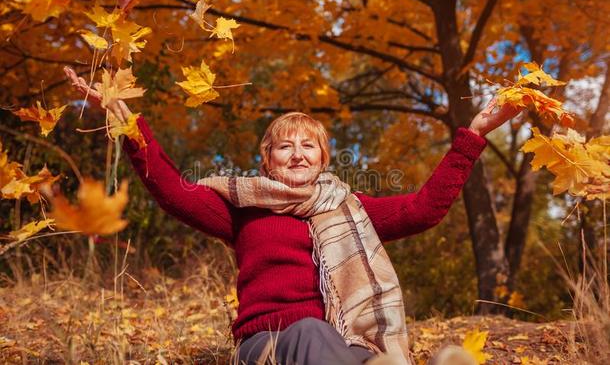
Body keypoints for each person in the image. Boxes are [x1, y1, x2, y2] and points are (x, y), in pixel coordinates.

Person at [64, 66, 524, 365]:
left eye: (309, 147)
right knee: (309, 332)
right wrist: (127, 125)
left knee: (336, 345)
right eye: (286, 146)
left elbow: (424, 210)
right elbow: (169, 189)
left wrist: (475, 134)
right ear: (267, 160)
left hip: (338, 348)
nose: (298, 155)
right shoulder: (242, 211)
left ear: (324, 161)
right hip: (267, 348)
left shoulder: (349, 209)